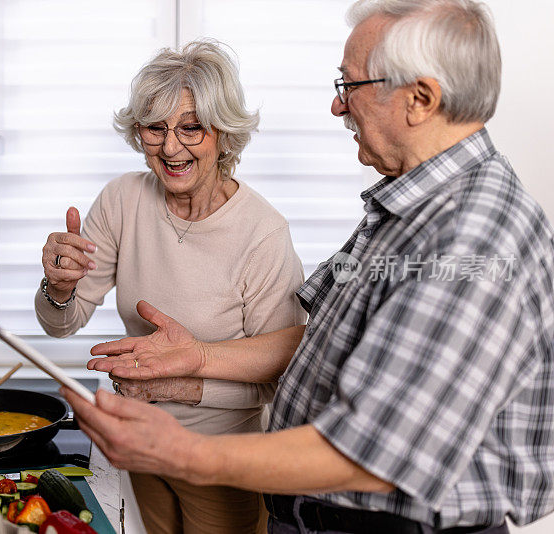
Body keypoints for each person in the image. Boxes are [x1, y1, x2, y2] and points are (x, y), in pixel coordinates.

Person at [63, 1, 554, 533]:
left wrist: (184, 452)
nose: (337, 107)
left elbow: (371, 453)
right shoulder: (408, 208)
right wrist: (197, 356)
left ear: (420, 99)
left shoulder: (469, 236)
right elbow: (313, 340)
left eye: (351, 86)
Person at [35, 39, 306, 534]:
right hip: (141, 444)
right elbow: (62, 322)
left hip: (222, 459)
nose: (171, 147)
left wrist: (183, 387)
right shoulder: (122, 199)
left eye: (191, 128)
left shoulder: (263, 234)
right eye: (155, 129)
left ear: (223, 133)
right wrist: (58, 286)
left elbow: (281, 376)